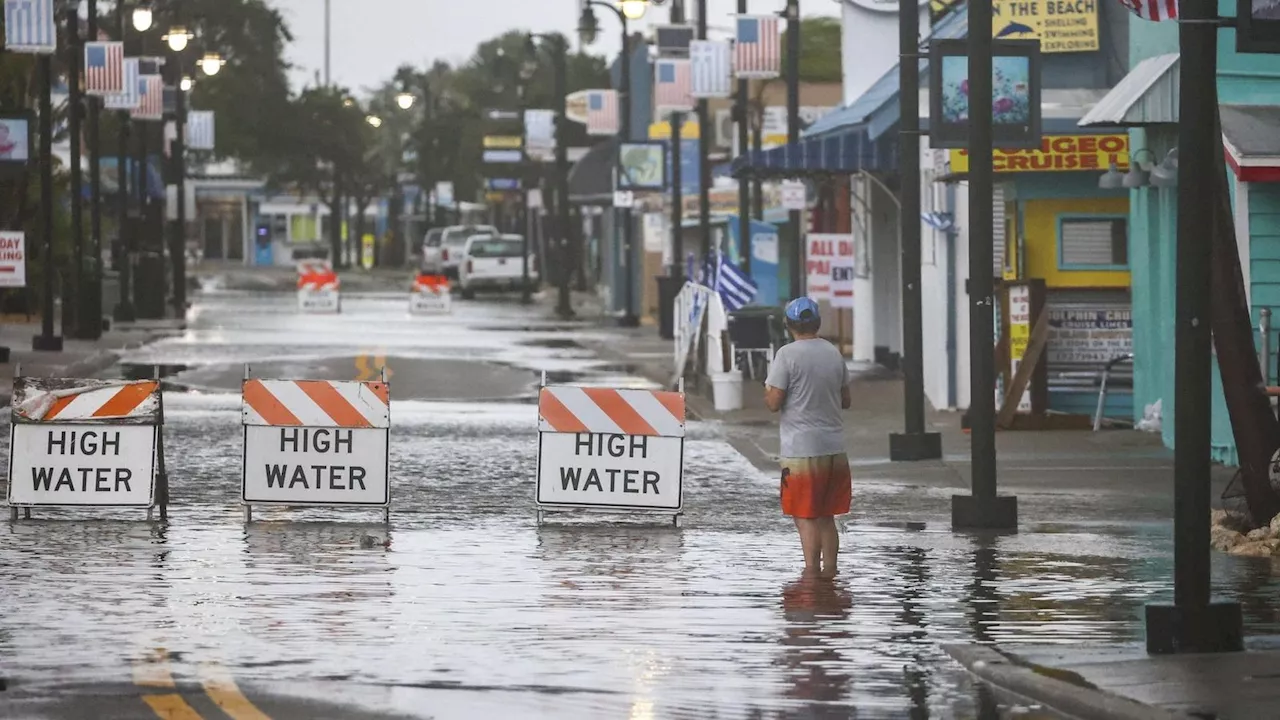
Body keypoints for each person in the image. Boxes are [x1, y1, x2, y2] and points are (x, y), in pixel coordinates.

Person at [764, 297, 852, 579]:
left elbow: (774, 402)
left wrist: (768, 390)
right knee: (827, 516)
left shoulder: (786, 355)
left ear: (789, 324)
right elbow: (846, 400)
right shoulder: (833, 353)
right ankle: (831, 573)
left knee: (805, 515)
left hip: (801, 449)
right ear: (817, 323)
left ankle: (811, 576)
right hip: (834, 448)